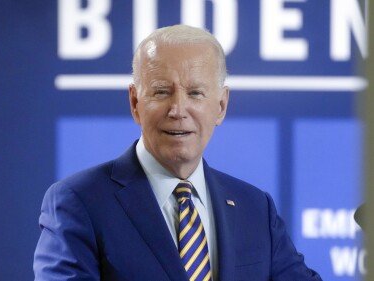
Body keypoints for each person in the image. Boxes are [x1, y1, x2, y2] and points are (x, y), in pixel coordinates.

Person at [33, 25, 322, 281]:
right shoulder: (79, 202)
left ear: (221, 106)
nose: (178, 110)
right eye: (161, 92)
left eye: (195, 93)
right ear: (135, 102)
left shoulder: (255, 208)